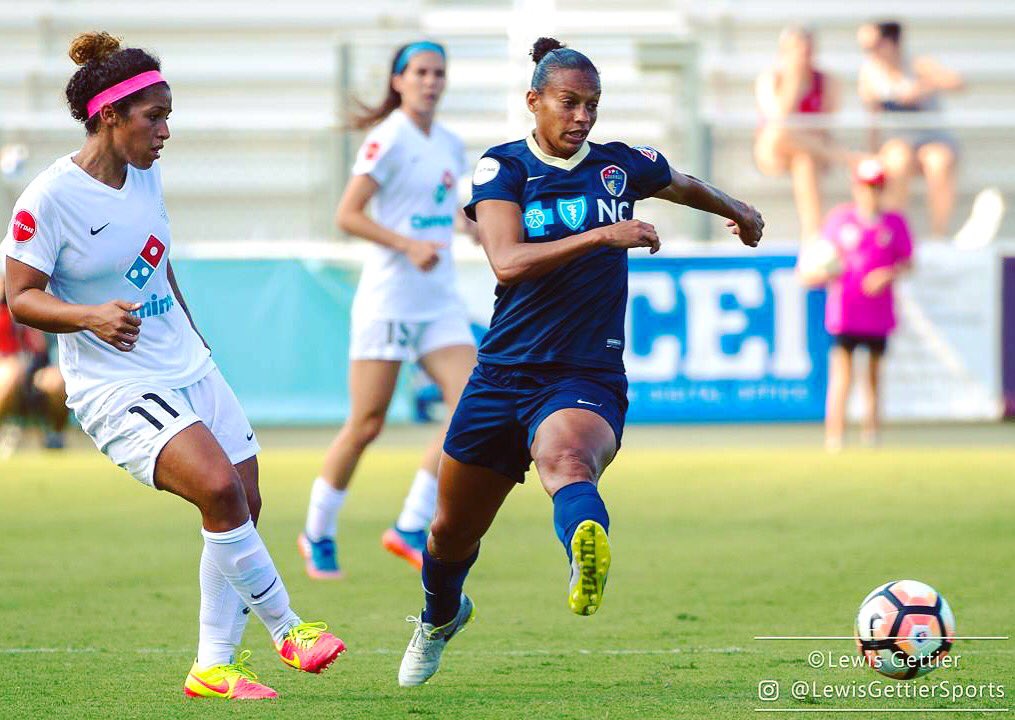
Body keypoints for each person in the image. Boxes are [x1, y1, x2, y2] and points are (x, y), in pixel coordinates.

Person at [396, 37, 764, 687]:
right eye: (569, 103)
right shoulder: (501, 169)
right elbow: (505, 259)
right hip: (501, 374)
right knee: (449, 534)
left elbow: (680, 182)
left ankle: (582, 553)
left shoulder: (620, 167)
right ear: (533, 101)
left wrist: (736, 209)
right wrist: (603, 234)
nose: (582, 117)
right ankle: (439, 617)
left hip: (583, 374)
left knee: (566, 461)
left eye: (592, 105)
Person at [1, 32, 344, 700]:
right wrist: (92, 315)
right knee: (217, 490)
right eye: (153, 117)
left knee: (243, 500)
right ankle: (287, 629)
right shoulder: (48, 199)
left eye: (168, 115)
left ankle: (212, 666)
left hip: (187, 364)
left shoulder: (145, 170)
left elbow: (158, 259)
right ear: (110, 117)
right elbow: (18, 299)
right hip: (116, 384)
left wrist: (194, 338)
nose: (166, 131)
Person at [299, 40, 477, 577]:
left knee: (472, 406)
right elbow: (348, 215)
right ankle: (317, 531)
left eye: (438, 72)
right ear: (398, 80)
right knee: (367, 422)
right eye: (420, 72)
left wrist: (482, 229)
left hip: (438, 298)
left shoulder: (449, 143)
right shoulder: (387, 139)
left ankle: (410, 524)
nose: (430, 81)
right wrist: (407, 245)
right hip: (391, 299)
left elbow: (455, 216)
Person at [798, 158, 913, 451]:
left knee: (873, 376)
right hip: (846, 310)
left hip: (877, 312)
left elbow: (907, 262)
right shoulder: (840, 221)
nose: (870, 194)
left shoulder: (894, 223)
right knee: (842, 374)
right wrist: (822, 272)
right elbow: (819, 260)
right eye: (865, 187)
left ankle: (871, 434)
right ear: (856, 188)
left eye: (875, 188)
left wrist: (888, 273)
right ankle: (834, 436)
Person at [858, 21, 964, 237]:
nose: (871, 53)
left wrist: (923, 88)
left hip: (931, 138)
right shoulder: (870, 74)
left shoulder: (918, 65)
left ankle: (939, 234)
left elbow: (958, 83)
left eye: (875, 46)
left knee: (939, 162)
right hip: (898, 141)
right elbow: (873, 118)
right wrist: (873, 151)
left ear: (891, 43)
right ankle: (895, 233)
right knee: (898, 161)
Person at [754, 26, 841, 240]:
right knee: (781, 135)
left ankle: (812, 233)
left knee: (805, 161)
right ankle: (846, 157)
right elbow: (779, 120)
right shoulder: (770, 79)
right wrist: (794, 83)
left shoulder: (827, 81)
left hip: (811, 149)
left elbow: (824, 125)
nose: (803, 56)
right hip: (774, 151)